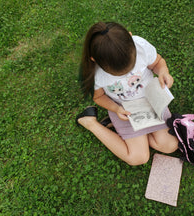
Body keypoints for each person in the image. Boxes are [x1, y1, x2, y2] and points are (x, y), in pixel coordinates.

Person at [76, 22, 178, 166]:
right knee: (139, 158)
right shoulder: (95, 74)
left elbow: (157, 63)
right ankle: (90, 122)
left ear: (131, 38)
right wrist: (117, 109)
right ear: (94, 60)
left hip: (152, 101)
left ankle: (132, 133)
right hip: (124, 109)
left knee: (170, 145)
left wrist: (163, 72)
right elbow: (98, 97)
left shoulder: (140, 45)